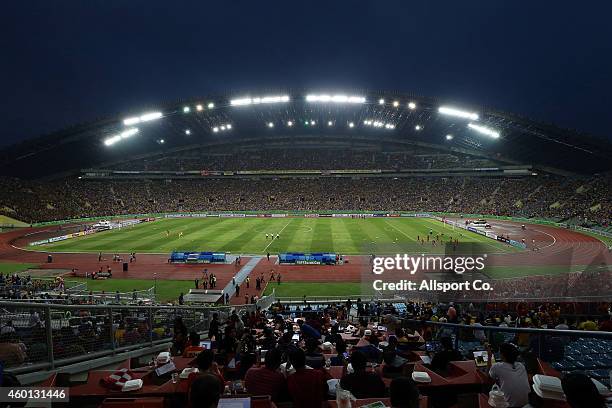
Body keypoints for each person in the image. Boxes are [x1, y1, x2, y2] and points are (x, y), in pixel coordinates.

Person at [487, 343, 530, 408]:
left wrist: (489, 356)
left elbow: (487, 376)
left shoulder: (497, 367)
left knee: (490, 388)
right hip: (526, 404)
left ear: (503, 355)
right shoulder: (521, 366)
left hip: (509, 406)